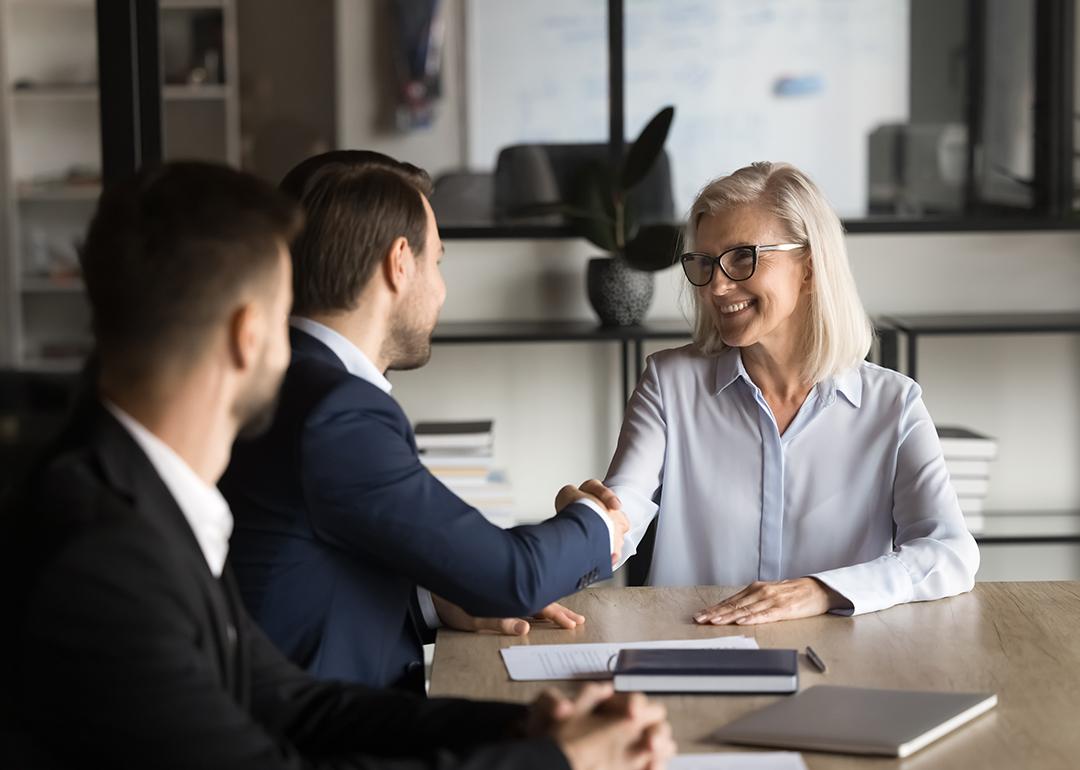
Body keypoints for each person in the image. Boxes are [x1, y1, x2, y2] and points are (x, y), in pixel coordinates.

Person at [0, 161, 674, 770]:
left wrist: (531, 730)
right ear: (248, 334)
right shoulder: (103, 560)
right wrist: (557, 764)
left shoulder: (139, 499)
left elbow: (295, 704)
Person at [219, 150, 628, 690]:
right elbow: (514, 575)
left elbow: (311, 577)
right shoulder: (335, 410)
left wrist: (433, 603)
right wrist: (599, 523)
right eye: (437, 262)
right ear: (399, 263)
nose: (441, 289)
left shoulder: (288, 380)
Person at [599, 161, 979, 624]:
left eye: (743, 256)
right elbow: (624, 512)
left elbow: (950, 553)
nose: (717, 286)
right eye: (704, 263)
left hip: (840, 661)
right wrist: (582, 531)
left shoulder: (893, 406)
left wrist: (823, 590)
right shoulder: (668, 384)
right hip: (694, 652)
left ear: (810, 269)